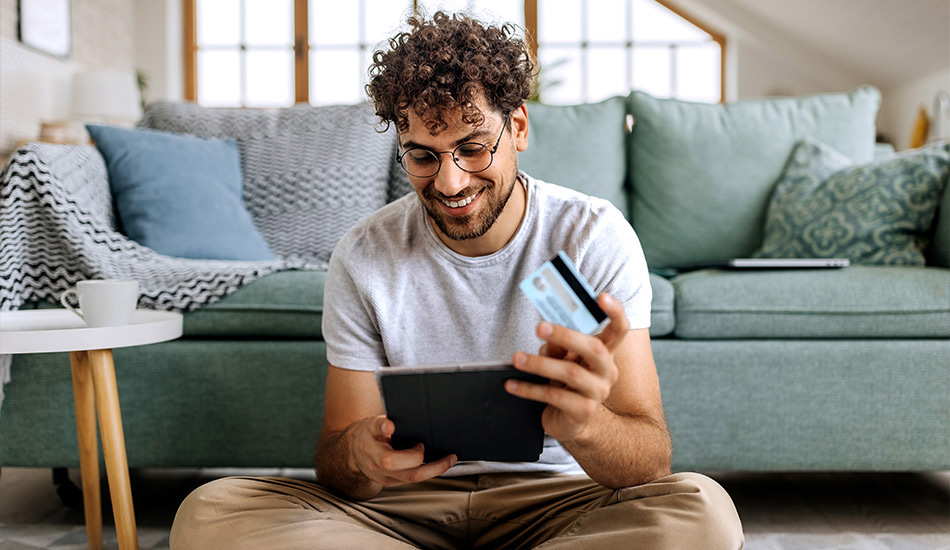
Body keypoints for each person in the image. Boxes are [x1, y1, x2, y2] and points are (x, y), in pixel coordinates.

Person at [170, 11, 743, 549]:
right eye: (422, 156)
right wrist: (362, 458)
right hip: (401, 510)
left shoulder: (592, 238)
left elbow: (649, 462)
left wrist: (587, 425)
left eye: (471, 148)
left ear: (517, 127)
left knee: (703, 513)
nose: (449, 182)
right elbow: (337, 460)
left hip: (560, 502)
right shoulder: (365, 254)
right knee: (210, 512)